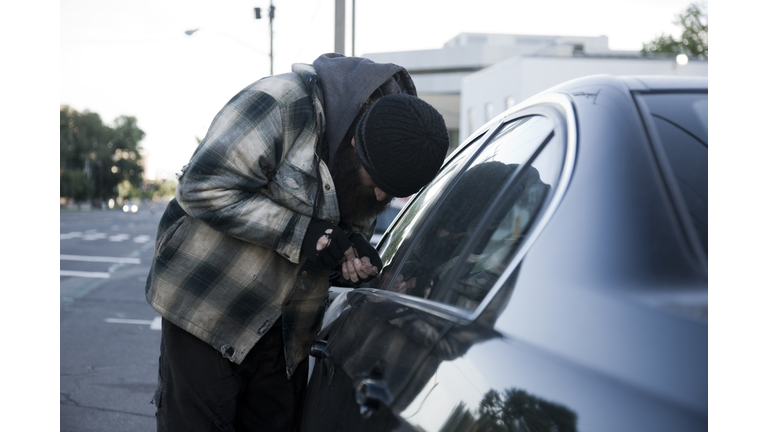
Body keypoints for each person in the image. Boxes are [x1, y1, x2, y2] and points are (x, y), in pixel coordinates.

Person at [144, 53, 449, 432]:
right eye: (376, 183)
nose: (381, 195)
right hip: (209, 311)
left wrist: (348, 257)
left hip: (287, 335)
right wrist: (305, 234)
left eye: (392, 194)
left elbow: (335, 233)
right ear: (356, 141)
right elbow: (202, 186)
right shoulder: (279, 103)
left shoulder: (388, 149)